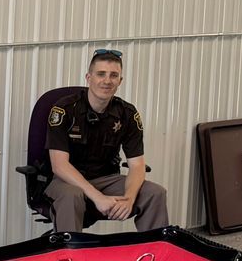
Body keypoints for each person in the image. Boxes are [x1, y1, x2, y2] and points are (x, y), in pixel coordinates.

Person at [44, 48, 170, 233]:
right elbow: (59, 166)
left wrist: (129, 198)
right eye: (101, 74)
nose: (107, 80)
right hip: (67, 181)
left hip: (107, 179)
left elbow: (137, 165)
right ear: (89, 77)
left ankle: (155, 249)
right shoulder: (65, 109)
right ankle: (71, 251)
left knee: (155, 193)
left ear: (120, 81)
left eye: (113, 75)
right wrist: (97, 197)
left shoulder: (127, 114)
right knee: (72, 195)